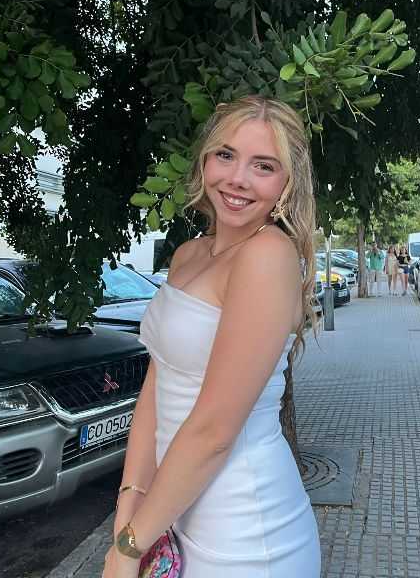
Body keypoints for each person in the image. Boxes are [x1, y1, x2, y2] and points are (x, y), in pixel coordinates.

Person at [102, 96, 321, 578]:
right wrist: (130, 507)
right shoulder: (188, 254)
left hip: (244, 535)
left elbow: (215, 431)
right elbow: (157, 385)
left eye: (263, 165)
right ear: (205, 160)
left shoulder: (267, 255)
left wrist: (128, 549)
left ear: (287, 183)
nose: (238, 178)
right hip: (172, 512)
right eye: (226, 155)